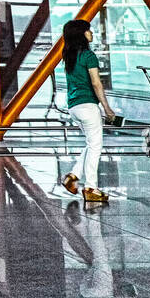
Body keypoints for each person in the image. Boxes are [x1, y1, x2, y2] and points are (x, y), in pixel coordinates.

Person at [59, 19, 116, 205]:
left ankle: (73, 176)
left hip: (74, 106)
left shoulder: (69, 55)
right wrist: (107, 107)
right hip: (88, 106)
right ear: (81, 34)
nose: (91, 34)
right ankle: (91, 188)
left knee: (91, 143)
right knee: (95, 146)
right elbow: (96, 83)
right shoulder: (89, 56)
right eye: (89, 31)